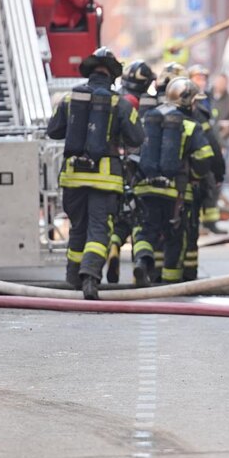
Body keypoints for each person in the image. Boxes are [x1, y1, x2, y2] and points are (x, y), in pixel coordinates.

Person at [46, 48, 144, 299]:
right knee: (99, 229)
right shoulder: (119, 103)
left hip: (72, 177)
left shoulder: (69, 100)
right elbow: (137, 138)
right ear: (112, 75)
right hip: (105, 179)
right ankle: (90, 277)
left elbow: (54, 131)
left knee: (78, 227)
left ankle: (72, 276)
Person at [131, 77, 215, 284]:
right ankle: (171, 283)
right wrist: (195, 174)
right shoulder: (190, 125)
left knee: (146, 232)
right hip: (175, 191)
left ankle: (142, 261)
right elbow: (205, 157)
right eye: (194, 100)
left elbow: (135, 148)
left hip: (145, 186)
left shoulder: (148, 118)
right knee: (175, 237)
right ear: (186, 101)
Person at [106, 60, 156, 284]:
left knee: (121, 215)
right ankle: (140, 264)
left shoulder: (115, 99)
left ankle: (114, 245)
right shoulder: (146, 103)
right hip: (140, 166)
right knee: (141, 220)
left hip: (116, 165)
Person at [188, 64, 226, 235]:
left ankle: (210, 222)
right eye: (197, 78)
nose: (201, 82)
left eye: (203, 78)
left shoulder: (209, 99)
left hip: (210, 148)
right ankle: (198, 222)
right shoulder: (190, 100)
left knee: (211, 187)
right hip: (197, 152)